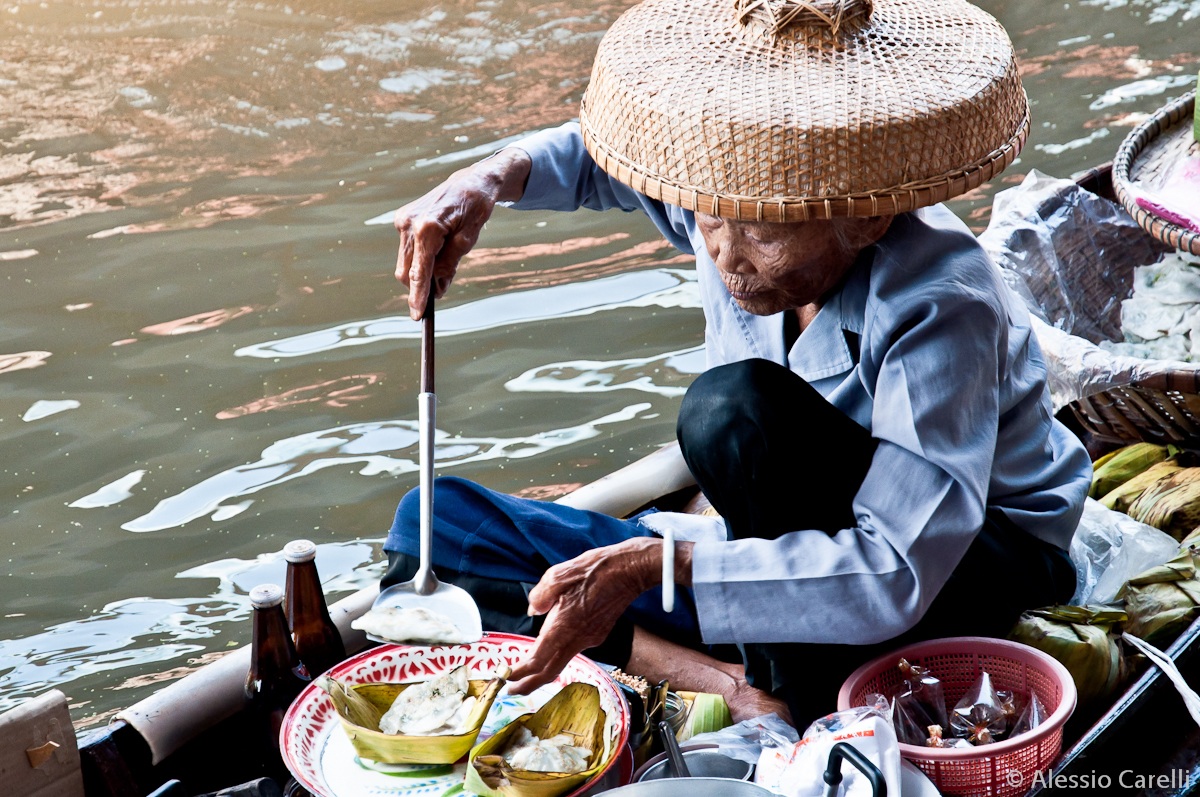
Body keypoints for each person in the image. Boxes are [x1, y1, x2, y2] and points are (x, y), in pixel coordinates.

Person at [380, 0, 1093, 725]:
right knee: (430, 533)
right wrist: (488, 180)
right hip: (771, 544)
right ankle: (732, 681)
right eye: (711, 219)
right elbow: (601, 161)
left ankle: (787, 672)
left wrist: (661, 564)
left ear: (866, 218)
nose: (726, 255)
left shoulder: (942, 302)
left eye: (763, 232)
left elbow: (899, 568)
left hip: (970, 562)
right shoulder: (721, 197)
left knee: (732, 411)